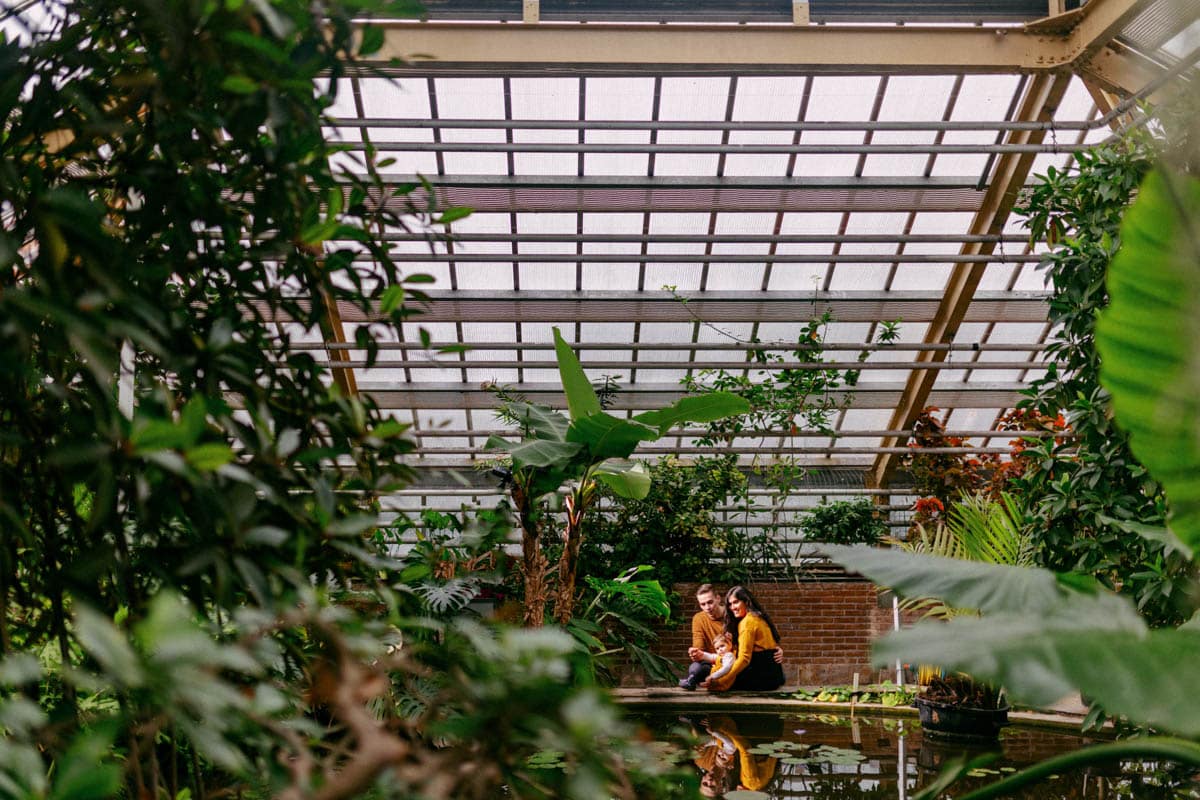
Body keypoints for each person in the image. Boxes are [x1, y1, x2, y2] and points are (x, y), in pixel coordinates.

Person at [680, 583, 785, 691]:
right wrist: (696, 653)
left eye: (710, 602)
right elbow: (699, 647)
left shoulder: (740, 618)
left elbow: (744, 657)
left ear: (718, 598)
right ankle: (697, 678)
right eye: (703, 604)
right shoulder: (750, 616)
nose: (708, 607)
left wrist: (776, 649)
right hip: (717, 660)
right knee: (697, 668)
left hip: (739, 661)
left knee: (724, 678)